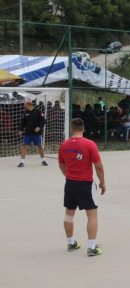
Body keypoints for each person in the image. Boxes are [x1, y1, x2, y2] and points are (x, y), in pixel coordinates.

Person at [58, 118, 106, 257]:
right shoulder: (89, 144)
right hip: (85, 183)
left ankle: (71, 242)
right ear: (83, 129)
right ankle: (91, 247)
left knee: (69, 214)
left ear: (71, 129)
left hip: (70, 183)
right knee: (92, 215)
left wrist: (68, 175)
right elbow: (99, 166)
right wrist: (102, 182)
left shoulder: (64, 145)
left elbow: (61, 165)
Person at [18, 100, 48, 167]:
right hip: (27, 133)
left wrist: (39, 127)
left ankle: (43, 160)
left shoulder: (38, 111)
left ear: (29, 104)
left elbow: (43, 121)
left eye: (25, 104)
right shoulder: (25, 112)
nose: (24, 106)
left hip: (37, 133)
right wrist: (20, 130)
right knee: (24, 146)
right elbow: (22, 122)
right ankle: (22, 162)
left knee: (40, 146)